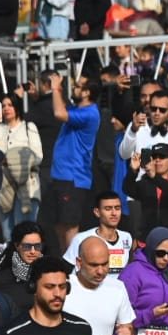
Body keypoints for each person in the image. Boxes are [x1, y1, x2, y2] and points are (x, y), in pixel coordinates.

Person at [48, 73, 101, 250]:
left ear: (86, 92)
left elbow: (59, 113)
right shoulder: (77, 110)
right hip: (61, 176)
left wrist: (55, 88)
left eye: (77, 86)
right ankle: (64, 260)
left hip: (74, 177)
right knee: (59, 224)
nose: (74, 88)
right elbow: (63, 107)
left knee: (70, 225)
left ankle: (72, 263)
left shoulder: (90, 113)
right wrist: (60, 91)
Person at [63, 236, 136, 335]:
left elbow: (128, 327)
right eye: (94, 265)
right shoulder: (62, 287)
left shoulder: (117, 288)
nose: (100, 271)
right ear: (79, 263)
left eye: (105, 264)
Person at [0, 93, 42, 238]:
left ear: (17, 107)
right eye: (3, 106)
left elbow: (38, 156)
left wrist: (17, 160)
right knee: (8, 234)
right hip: (3, 186)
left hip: (26, 185)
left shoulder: (28, 127)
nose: (6, 109)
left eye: (10, 105)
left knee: (24, 232)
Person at [63, 191, 133, 281]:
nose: (114, 213)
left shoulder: (126, 237)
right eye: (108, 209)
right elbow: (65, 269)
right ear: (97, 212)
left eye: (117, 208)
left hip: (117, 288)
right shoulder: (81, 238)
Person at [0, 221, 44, 315]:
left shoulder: (49, 275)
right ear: (17, 246)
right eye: (27, 246)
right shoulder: (1, 279)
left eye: (37, 246)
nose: (32, 251)